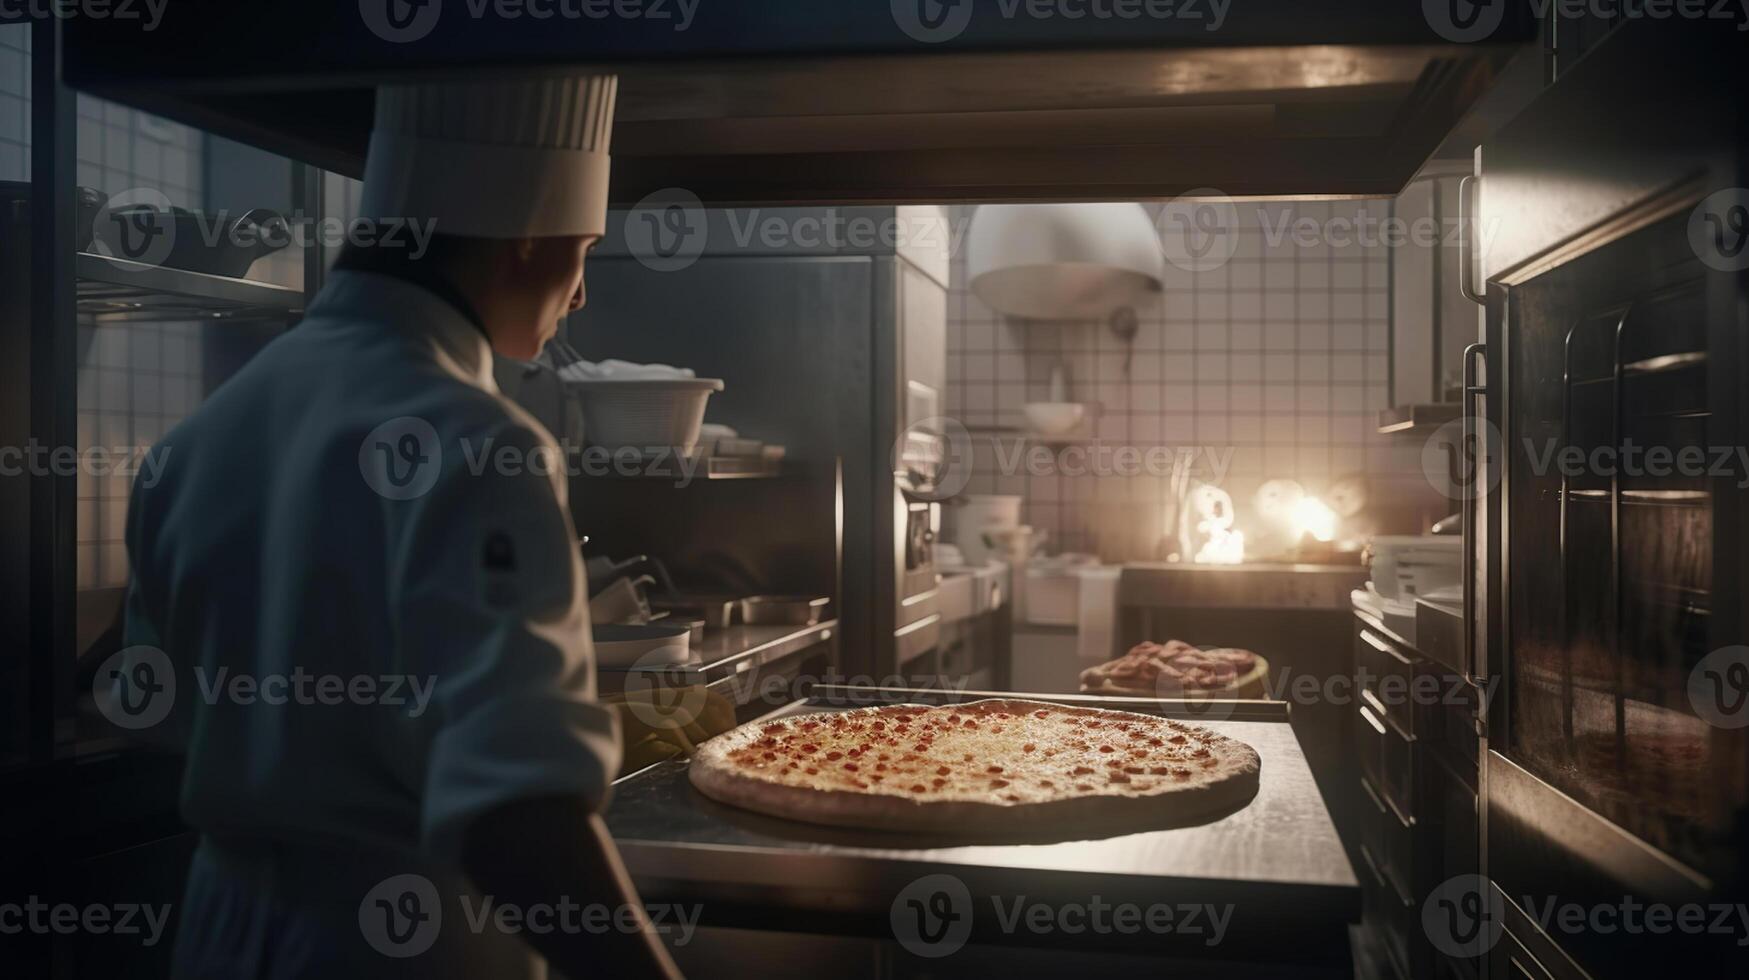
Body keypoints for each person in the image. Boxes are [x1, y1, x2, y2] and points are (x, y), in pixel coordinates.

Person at [120, 75, 682, 979]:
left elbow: (165, 710)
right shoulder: (482, 444)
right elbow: (519, 816)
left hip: (220, 934)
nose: (578, 295)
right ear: (528, 232)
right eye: (583, 248)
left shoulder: (193, 441)